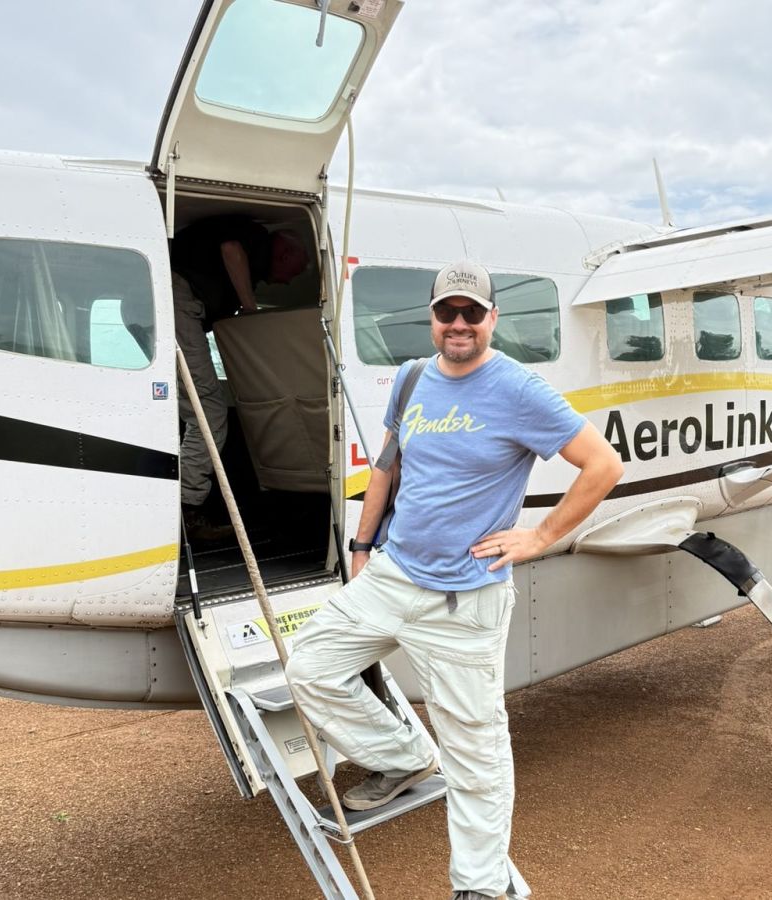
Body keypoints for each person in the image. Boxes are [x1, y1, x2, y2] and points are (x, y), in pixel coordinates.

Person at [286, 261, 624, 900]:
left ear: (493, 318)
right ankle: (406, 756)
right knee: (309, 667)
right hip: (393, 573)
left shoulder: (518, 389)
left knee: (475, 753)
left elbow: (603, 465)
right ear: (433, 318)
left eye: (473, 313)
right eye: (448, 312)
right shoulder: (413, 378)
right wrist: (362, 545)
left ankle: (479, 885)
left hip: (465, 597)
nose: (460, 324)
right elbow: (387, 463)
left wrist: (542, 537)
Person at [171, 217, 309, 540]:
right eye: (296, 272)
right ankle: (185, 509)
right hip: (177, 299)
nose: (289, 283)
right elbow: (231, 249)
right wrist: (250, 307)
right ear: (286, 255)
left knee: (186, 406)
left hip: (166, 302)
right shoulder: (254, 239)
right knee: (211, 413)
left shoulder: (244, 264)